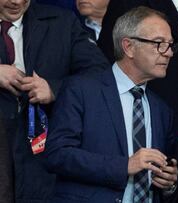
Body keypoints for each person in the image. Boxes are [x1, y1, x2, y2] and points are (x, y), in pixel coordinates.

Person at [44, 6, 178, 203]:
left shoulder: (162, 110)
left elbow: (160, 178)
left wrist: (168, 183)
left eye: (170, 45)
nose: (168, 53)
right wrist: (124, 166)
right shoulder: (81, 89)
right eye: (159, 43)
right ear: (129, 46)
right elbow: (57, 154)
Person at [0, 0, 109, 202]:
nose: (16, 2)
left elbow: (100, 75)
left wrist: (54, 89)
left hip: (43, 160)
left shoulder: (62, 23)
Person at [98, 0, 178, 136]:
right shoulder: (130, 4)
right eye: (159, 43)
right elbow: (107, 64)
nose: (169, 52)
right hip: (144, 132)